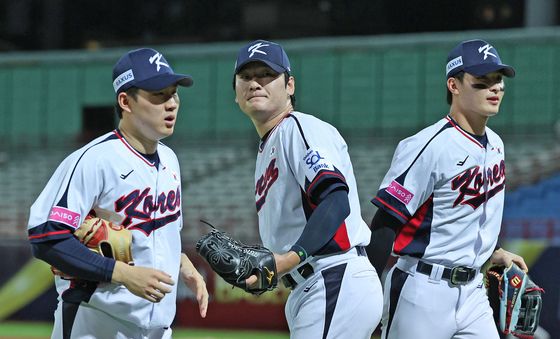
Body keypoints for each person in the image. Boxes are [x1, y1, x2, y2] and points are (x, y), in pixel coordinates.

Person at [27, 47, 208, 339]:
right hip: (95, 322)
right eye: (158, 95)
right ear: (126, 101)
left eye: (173, 93)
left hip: (158, 328)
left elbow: (153, 234)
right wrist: (121, 273)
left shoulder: (170, 160)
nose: (172, 103)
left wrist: (182, 263)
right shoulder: (94, 159)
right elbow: (45, 236)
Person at [367, 39, 529, 339]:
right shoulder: (427, 145)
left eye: (498, 80)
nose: (494, 88)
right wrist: (365, 290)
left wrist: (495, 252)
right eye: (482, 82)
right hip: (422, 290)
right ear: (453, 85)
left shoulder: (496, 144)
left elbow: (474, 212)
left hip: (474, 292)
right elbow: (386, 222)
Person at [233, 39, 383, 338]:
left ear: (289, 85)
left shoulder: (298, 128)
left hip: (332, 277)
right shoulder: (269, 145)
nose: (255, 83)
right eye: (246, 77)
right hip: (314, 285)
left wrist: (286, 260)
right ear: (235, 94)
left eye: (266, 74)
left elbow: (336, 201)